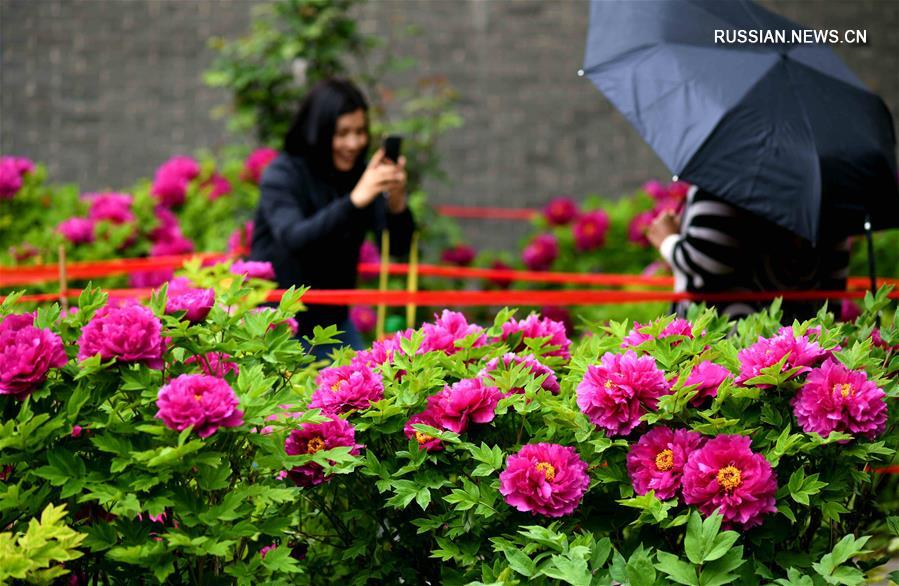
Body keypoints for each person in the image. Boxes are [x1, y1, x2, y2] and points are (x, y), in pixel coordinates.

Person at [250, 78, 414, 358]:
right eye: (343, 133)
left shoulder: (360, 176)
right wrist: (354, 201)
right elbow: (294, 238)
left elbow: (397, 247)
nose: (354, 143)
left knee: (368, 394)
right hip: (278, 326)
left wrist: (396, 202)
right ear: (319, 132)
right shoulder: (283, 173)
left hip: (334, 323)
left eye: (361, 131)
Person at [647, 186, 850, 323]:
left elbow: (708, 260)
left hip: (729, 342)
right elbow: (835, 273)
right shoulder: (828, 179)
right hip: (807, 342)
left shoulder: (726, 171)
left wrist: (668, 241)